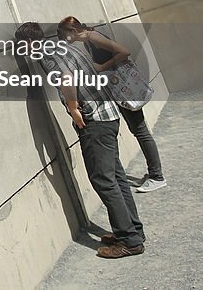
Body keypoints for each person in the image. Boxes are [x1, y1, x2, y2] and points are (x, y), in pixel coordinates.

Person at [15, 22, 146, 258]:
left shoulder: (48, 54)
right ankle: (133, 231)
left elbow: (66, 78)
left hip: (94, 122)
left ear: (29, 43)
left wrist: (74, 108)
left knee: (103, 181)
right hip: (109, 116)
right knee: (115, 178)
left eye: (22, 47)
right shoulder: (65, 47)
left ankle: (129, 241)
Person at [58, 16, 166, 193]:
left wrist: (101, 67)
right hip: (121, 90)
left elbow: (124, 52)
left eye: (65, 35)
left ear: (73, 31)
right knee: (138, 130)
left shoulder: (93, 37)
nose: (65, 39)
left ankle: (157, 176)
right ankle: (154, 173)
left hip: (124, 89)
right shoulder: (89, 39)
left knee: (141, 131)